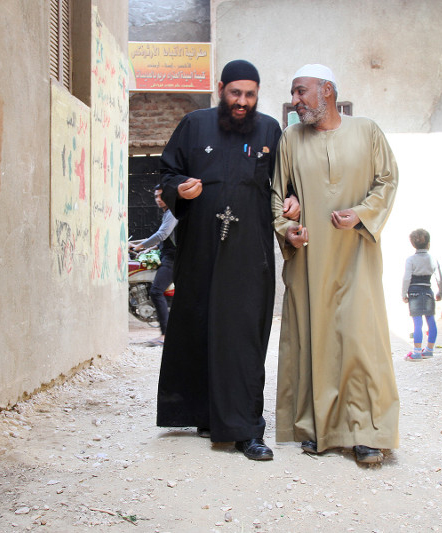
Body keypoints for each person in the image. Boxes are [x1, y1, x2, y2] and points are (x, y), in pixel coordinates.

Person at [157, 59, 298, 461]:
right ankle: (206, 414)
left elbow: (285, 184)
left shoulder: (271, 129)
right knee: (199, 324)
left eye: (250, 94)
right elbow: (167, 174)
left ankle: (246, 429)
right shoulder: (194, 125)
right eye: (236, 93)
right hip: (200, 246)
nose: (242, 102)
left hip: (248, 251)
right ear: (221, 89)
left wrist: (292, 199)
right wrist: (179, 191)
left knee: (242, 336)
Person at [271, 64, 399, 465]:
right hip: (310, 258)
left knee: (362, 339)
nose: (295, 101)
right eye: (293, 94)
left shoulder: (367, 131)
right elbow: (278, 194)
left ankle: (367, 432)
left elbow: (388, 181)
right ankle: (318, 429)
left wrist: (362, 213)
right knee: (315, 336)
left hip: (356, 252)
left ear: (327, 90)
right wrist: (287, 229)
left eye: (301, 91)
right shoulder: (290, 138)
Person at [129, 184, 176, 345]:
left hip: (173, 259)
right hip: (167, 255)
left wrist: (140, 246)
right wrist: (148, 248)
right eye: (156, 196)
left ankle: (165, 335)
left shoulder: (173, 213)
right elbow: (165, 239)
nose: (158, 199)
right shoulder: (167, 213)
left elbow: (162, 234)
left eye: (161, 196)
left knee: (156, 291)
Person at [402, 229, 442, 361]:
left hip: (414, 293)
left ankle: (417, 351)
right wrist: (440, 292)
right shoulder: (433, 259)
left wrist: (404, 293)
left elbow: (407, 278)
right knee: (431, 320)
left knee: (417, 323)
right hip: (428, 292)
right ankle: (430, 350)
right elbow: (439, 278)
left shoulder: (410, 260)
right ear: (428, 244)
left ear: (413, 244)